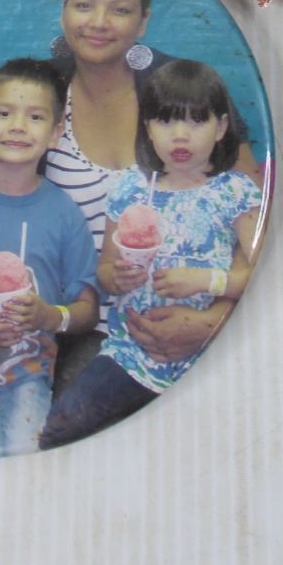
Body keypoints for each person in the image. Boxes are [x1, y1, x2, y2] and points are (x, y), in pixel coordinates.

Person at [44, 0, 259, 369]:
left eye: (120, 10)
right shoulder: (40, 90)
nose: (98, 22)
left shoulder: (185, 93)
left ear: (143, 22)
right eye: (84, 6)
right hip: (73, 324)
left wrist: (214, 320)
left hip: (194, 313)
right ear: (63, 11)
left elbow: (256, 218)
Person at [40, 60, 261, 448]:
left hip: (210, 355)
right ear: (146, 127)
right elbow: (104, 271)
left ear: (221, 127)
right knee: (58, 429)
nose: (180, 135)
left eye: (197, 121)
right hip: (129, 355)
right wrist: (116, 276)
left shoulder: (235, 193)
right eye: (166, 121)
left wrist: (208, 281)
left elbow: (262, 276)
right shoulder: (130, 188)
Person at [0, 59, 98, 458]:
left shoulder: (65, 214)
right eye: (3, 114)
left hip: (31, 376)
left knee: (27, 460)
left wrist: (50, 316)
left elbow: (87, 310)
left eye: (34, 117)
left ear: (55, 133)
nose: (17, 126)